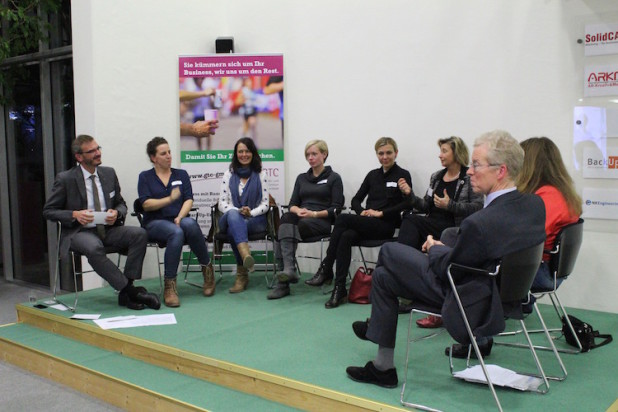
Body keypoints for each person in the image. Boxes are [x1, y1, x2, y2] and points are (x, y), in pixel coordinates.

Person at [346, 130, 545, 389]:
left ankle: (382, 362)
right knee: (384, 277)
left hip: (466, 301)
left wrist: (435, 248)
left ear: (501, 170)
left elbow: (447, 269)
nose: (470, 171)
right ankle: (383, 366)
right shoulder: (533, 205)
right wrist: (448, 244)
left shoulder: (481, 223)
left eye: (476, 165)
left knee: (388, 253)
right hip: (501, 294)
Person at [43, 134, 160, 310]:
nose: (98, 153)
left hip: (108, 229)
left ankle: (126, 291)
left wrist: (117, 213)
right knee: (94, 248)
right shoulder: (66, 179)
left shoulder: (108, 173)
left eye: (98, 148)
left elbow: (121, 203)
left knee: (140, 234)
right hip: (79, 232)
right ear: (79, 157)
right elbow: (48, 211)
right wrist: (74, 214)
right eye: (92, 151)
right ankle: (132, 292)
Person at [306, 137, 412, 309]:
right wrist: (361, 211)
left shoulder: (403, 175)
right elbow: (356, 200)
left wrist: (381, 213)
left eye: (388, 153)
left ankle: (326, 268)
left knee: (342, 218)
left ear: (396, 153)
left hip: (385, 225)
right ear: (377, 155)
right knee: (346, 236)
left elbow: (407, 203)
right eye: (381, 153)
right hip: (366, 223)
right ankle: (339, 289)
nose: (384, 157)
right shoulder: (372, 175)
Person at [397, 136, 483, 328]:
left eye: (444, 151)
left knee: (412, 222)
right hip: (431, 223)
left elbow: (478, 208)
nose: (440, 155)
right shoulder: (436, 177)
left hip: (452, 229)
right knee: (410, 219)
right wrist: (409, 194)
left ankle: (402, 274)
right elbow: (424, 205)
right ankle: (405, 278)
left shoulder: (468, 177)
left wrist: (450, 205)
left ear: (456, 153)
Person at [138, 137, 213, 307]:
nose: (168, 156)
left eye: (169, 152)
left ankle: (207, 270)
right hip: (154, 223)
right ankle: (170, 286)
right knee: (176, 232)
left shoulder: (181, 174)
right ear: (153, 158)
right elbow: (146, 204)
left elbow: (188, 200)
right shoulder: (145, 177)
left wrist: (180, 216)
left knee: (190, 224)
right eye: (163, 153)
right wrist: (169, 199)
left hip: (177, 218)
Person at [268, 139, 344, 300]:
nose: (310, 158)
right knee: (286, 219)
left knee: (282, 231)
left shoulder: (334, 178)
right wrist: (299, 210)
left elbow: (336, 208)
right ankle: (288, 271)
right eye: (308, 154)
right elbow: (292, 205)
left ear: (324, 154)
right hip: (300, 221)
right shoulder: (302, 178)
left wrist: (313, 214)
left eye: (314, 154)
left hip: (320, 222)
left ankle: (284, 282)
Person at [518, 137, 581, 292]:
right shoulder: (561, 193)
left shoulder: (547, 198)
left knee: (466, 265)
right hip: (548, 269)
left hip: (539, 271)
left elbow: (526, 239)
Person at [217, 137, 270, 293]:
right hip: (229, 217)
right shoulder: (229, 174)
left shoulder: (261, 174)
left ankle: (242, 274)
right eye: (240, 151)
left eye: (247, 151)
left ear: (253, 153)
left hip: (255, 220)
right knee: (234, 217)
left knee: (235, 228)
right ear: (236, 154)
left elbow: (265, 204)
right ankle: (245, 255)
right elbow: (222, 203)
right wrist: (238, 211)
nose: (244, 154)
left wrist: (251, 212)